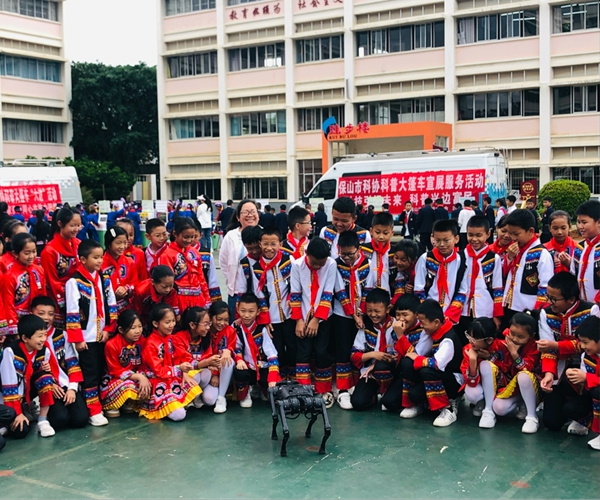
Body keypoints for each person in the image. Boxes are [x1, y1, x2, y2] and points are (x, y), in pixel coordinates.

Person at [538, 272, 599, 434]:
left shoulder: (591, 310)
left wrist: (556, 345)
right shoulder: (545, 313)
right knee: (551, 423)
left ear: (571, 299)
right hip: (560, 367)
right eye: (548, 296)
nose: (549, 302)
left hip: (589, 366)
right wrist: (549, 374)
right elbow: (547, 349)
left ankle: (584, 418)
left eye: (554, 299)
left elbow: (591, 345)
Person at [65, 239, 118, 427]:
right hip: (86, 337)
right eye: (95, 257)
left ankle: (102, 403)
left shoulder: (104, 279)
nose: (100, 261)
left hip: (102, 335)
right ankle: (93, 410)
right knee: (90, 374)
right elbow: (72, 311)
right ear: (82, 259)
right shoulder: (74, 282)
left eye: (101, 257)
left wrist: (109, 329)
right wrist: (77, 339)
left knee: (102, 369)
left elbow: (112, 304)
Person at [399, 299, 464, 427]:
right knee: (407, 363)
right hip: (437, 376)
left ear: (436, 322)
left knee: (427, 370)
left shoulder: (448, 338)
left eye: (423, 322)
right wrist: (414, 357)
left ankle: (448, 407)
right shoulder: (430, 331)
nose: (421, 326)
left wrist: (417, 358)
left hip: (453, 380)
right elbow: (417, 353)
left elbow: (437, 364)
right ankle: (418, 404)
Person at [290, 237, 337, 407]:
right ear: (307, 254)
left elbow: (328, 292)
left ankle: (324, 390)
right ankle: (303, 391)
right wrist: (299, 321)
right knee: (303, 352)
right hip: (303, 315)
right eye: (314, 263)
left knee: (321, 352)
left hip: (323, 317)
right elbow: (295, 294)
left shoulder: (331, 264)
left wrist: (317, 319)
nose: (317, 267)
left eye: (320, 264)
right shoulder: (297, 265)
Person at [31, 296, 88, 431]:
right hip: (46, 385)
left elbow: (72, 363)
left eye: (50, 314)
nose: (46, 318)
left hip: (64, 383)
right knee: (59, 420)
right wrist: (50, 384)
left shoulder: (62, 335)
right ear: (31, 312)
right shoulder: (30, 339)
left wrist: (72, 389)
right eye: (41, 313)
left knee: (81, 419)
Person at [478, 312, 542, 433]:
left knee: (524, 376)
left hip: (530, 385)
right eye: (512, 333)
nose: (515, 339)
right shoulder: (505, 338)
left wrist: (514, 354)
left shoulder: (535, 346)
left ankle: (532, 417)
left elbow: (527, 368)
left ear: (532, 335)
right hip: (510, 384)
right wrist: (489, 356)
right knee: (499, 408)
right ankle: (491, 410)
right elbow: (503, 366)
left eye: (521, 337)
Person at [140, 304, 200, 421]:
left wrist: (184, 373)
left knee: (197, 376)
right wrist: (179, 369)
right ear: (155, 324)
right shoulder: (150, 344)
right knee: (179, 415)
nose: (172, 325)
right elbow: (158, 371)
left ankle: (178, 402)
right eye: (167, 322)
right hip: (157, 381)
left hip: (172, 377)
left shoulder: (171, 338)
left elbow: (180, 357)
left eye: (173, 321)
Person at [0, 314, 57, 438]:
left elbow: (40, 375)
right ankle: (8, 420)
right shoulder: (11, 352)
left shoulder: (44, 350)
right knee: (21, 431)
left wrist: (46, 370)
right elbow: (9, 385)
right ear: (25, 338)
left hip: (28, 391)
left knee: (45, 378)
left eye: (45, 335)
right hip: (9, 397)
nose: (43, 339)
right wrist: (18, 413)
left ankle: (43, 420)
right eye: (39, 336)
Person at [332, 230, 370, 409]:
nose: (346, 257)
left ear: (359, 249)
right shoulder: (336, 265)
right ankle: (342, 389)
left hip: (363, 314)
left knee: (359, 349)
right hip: (342, 314)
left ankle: (356, 383)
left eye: (350, 254)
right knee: (342, 349)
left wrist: (361, 313)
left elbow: (368, 290)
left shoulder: (368, 264)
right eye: (343, 253)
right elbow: (340, 291)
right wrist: (353, 314)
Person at [253, 227, 296, 380]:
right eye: (265, 244)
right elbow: (258, 294)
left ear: (280, 244)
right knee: (277, 347)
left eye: (273, 244)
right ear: (260, 244)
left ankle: (294, 376)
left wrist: (292, 298)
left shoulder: (288, 260)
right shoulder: (256, 267)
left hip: (289, 313)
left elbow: (296, 283)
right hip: (272, 317)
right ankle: (280, 378)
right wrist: (265, 319)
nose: (269, 248)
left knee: (292, 345)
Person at [456, 216, 504, 343]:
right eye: (470, 235)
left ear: (488, 234)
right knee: (463, 341)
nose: (474, 239)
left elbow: (497, 288)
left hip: (485, 308)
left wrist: (497, 315)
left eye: (479, 235)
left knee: (481, 342)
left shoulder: (493, 258)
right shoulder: (460, 256)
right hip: (462, 309)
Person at [348, 288, 398, 411]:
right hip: (369, 373)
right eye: (369, 310)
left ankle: (388, 392)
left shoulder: (396, 325)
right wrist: (373, 355)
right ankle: (375, 394)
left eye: (377, 311)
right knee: (358, 403)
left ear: (387, 309)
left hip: (391, 370)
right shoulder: (366, 325)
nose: (373, 314)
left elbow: (400, 355)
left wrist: (376, 365)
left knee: (381, 367)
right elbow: (354, 355)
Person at [503, 210, 553, 326]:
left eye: (516, 234)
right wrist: (509, 258)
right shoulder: (515, 250)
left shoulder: (542, 254)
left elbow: (545, 286)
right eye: (510, 234)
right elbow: (503, 274)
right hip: (510, 305)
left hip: (528, 309)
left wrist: (537, 311)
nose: (512, 238)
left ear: (530, 231)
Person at [377, 294, 424, 413]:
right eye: (398, 314)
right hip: (402, 372)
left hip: (419, 374)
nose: (401, 318)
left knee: (408, 362)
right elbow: (395, 352)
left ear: (416, 314)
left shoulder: (423, 329)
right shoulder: (397, 328)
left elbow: (414, 356)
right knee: (388, 403)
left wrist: (400, 336)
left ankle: (416, 403)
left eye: (405, 314)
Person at [414, 219, 466, 324]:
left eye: (446, 240)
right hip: (428, 316)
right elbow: (419, 289)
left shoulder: (461, 261)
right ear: (432, 238)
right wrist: (428, 313)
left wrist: (449, 315)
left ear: (456, 239)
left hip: (451, 316)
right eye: (437, 240)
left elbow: (463, 291)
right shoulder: (425, 259)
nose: (442, 244)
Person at [233, 293, 280, 408]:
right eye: (243, 311)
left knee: (269, 391)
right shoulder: (235, 327)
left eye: (251, 311)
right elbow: (235, 347)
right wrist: (239, 359)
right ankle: (245, 395)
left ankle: (260, 387)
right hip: (245, 365)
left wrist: (272, 378)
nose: (246, 315)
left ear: (258, 312)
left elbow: (272, 354)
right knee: (239, 372)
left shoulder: (262, 329)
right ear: (238, 309)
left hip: (260, 366)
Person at [100, 310, 150, 418]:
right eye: (133, 328)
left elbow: (145, 363)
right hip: (116, 378)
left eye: (140, 326)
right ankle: (111, 405)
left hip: (137, 375)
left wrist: (143, 376)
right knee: (128, 386)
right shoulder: (112, 344)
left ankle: (129, 401)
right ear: (121, 330)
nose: (138, 331)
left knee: (151, 381)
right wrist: (139, 377)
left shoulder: (143, 341)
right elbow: (115, 370)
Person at [172, 306, 220, 410]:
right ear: (192, 325)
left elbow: (208, 357)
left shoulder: (205, 337)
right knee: (195, 376)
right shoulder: (178, 338)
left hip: (201, 372)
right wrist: (207, 362)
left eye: (209, 323)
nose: (208, 327)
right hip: (183, 374)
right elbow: (186, 362)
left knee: (207, 376)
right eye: (205, 324)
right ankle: (189, 397)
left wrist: (215, 372)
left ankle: (196, 395)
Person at [41, 207, 82, 329]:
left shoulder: (78, 244)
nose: (76, 229)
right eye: (72, 225)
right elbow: (52, 281)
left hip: (80, 294)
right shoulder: (50, 251)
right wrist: (69, 297)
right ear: (60, 224)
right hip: (60, 297)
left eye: (79, 225)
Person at [564, 316, 600, 450]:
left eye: (586, 342)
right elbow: (585, 382)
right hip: (593, 395)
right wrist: (574, 376)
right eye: (581, 342)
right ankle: (584, 423)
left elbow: (588, 379)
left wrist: (586, 377)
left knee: (598, 391)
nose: (582, 346)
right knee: (570, 405)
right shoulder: (586, 356)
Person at [220, 200, 259, 319]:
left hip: (260, 292)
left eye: (253, 211)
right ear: (238, 217)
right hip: (236, 292)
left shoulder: (264, 234)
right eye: (245, 212)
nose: (250, 215)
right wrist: (233, 280)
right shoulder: (231, 236)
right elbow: (223, 262)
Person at [2, 233, 47, 337]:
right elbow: (8, 304)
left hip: (35, 318)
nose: (31, 256)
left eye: (34, 251)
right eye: (27, 253)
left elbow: (42, 295)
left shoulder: (39, 270)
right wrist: (15, 329)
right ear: (15, 254)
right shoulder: (10, 276)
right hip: (19, 321)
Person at [162, 217, 211, 310]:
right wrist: (174, 307)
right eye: (185, 237)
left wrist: (207, 299)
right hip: (179, 300)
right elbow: (168, 285)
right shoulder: (167, 255)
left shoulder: (194, 252)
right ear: (175, 234)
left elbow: (201, 278)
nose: (189, 240)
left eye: (192, 237)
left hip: (198, 299)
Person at [460, 318, 503, 420]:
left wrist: (490, 358)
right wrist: (473, 360)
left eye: (474, 339)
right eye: (469, 336)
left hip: (500, 387)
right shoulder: (468, 350)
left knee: (502, 409)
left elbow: (507, 370)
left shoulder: (502, 346)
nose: (470, 341)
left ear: (489, 340)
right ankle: (482, 403)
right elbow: (471, 383)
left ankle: (490, 407)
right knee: (472, 393)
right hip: (479, 384)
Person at [207, 301, 240, 414]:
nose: (222, 323)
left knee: (227, 361)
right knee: (209, 399)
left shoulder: (230, 331)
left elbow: (232, 347)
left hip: (226, 371)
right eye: (219, 319)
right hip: (209, 371)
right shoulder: (206, 331)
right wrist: (214, 374)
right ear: (211, 317)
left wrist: (228, 351)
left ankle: (221, 398)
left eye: (226, 320)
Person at [102, 227, 139, 314]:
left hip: (126, 308)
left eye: (125, 242)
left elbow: (135, 283)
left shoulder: (129, 261)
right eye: (118, 243)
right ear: (109, 243)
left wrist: (126, 289)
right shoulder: (100, 263)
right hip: (106, 308)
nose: (122, 246)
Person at [571, 200, 600, 304]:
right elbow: (573, 273)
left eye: (584, 222)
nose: (580, 226)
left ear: (598, 222)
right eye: (578, 222)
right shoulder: (580, 248)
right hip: (583, 305)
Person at [363, 212, 395, 293]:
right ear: (371, 231)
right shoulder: (363, 250)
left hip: (388, 294)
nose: (381, 237)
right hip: (367, 294)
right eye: (377, 232)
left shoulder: (394, 252)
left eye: (385, 233)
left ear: (392, 233)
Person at [114, 218, 149, 282]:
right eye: (124, 234)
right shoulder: (111, 253)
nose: (128, 238)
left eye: (131, 235)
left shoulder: (139, 253)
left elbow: (143, 277)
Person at [234, 225, 263, 300]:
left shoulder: (269, 260)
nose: (254, 251)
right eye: (250, 248)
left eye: (257, 247)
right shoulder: (245, 264)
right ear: (244, 245)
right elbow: (242, 287)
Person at [391, 239, 420, 304]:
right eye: (396, 258)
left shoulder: (417, 272)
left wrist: (413, 289)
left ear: (414, 260)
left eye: (403, 260)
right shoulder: (391, 264)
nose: (398, 262)